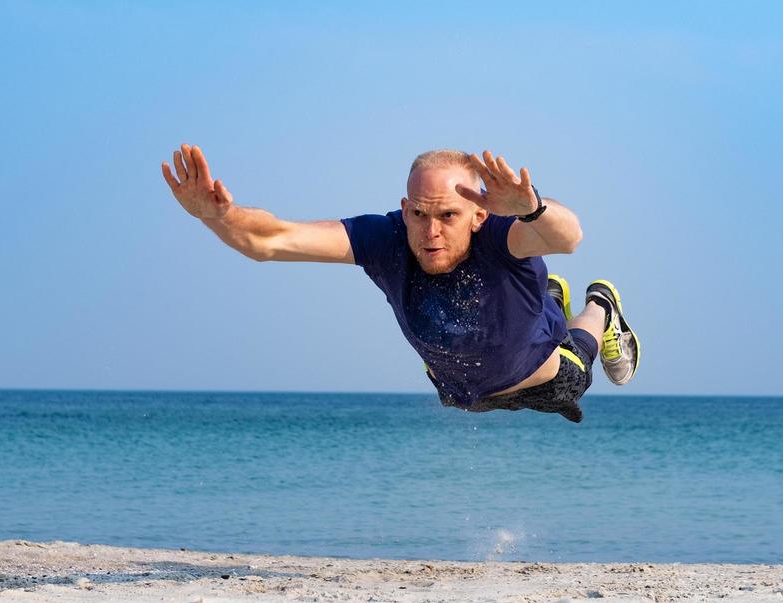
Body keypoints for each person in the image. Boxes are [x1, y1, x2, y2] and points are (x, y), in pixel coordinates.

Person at [161, 144, 640, 422]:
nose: (430, 232)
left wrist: (532, 206)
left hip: (540, 377)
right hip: (458, 390)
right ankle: (547, 296)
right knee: (526, 316)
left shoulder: (501, 234)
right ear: (405, 206)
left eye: (448, 216)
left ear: (478, 213)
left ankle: (601, 304)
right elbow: (269, 240)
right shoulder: (386, 238)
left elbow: (569, 236)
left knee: (574, 368)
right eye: (418, 214)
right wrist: (218, 216)